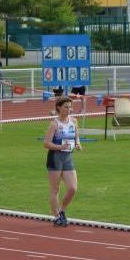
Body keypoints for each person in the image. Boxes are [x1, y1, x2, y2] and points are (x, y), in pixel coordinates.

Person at [43, 95, 82, 227]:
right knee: (55, 189)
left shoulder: (74, 121)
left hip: (68, 157)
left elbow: (76, 137)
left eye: (70, 107)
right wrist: (60, 147)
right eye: (66, 107)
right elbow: (46, 143)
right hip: (55, 157)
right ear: (59, 108)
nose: (68, 110)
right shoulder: (54, 124)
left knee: (72, 188)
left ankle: (62, 211)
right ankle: (56, 217)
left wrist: (78, 144)